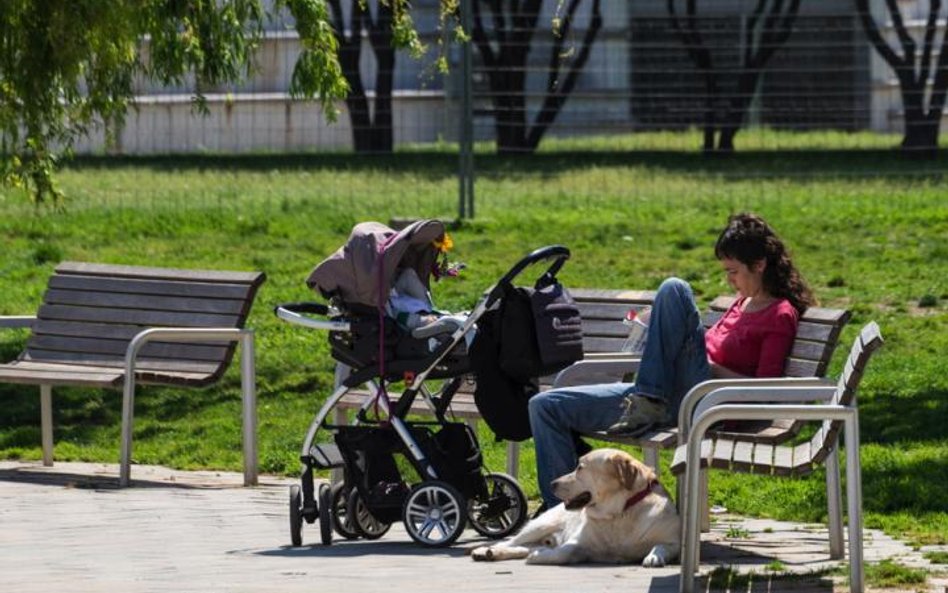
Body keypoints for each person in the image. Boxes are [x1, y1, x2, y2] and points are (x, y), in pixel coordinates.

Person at [527, 213, 814, 509]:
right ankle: (561, 516)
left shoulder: (779, 314)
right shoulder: (741, 304)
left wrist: (710, 368)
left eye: (734, 272)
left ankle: (649, 400)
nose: (729, 281)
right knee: (545, 406)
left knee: (674, 288)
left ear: (760, 265)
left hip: (706, 402)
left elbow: (766, 393)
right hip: (667, 394)